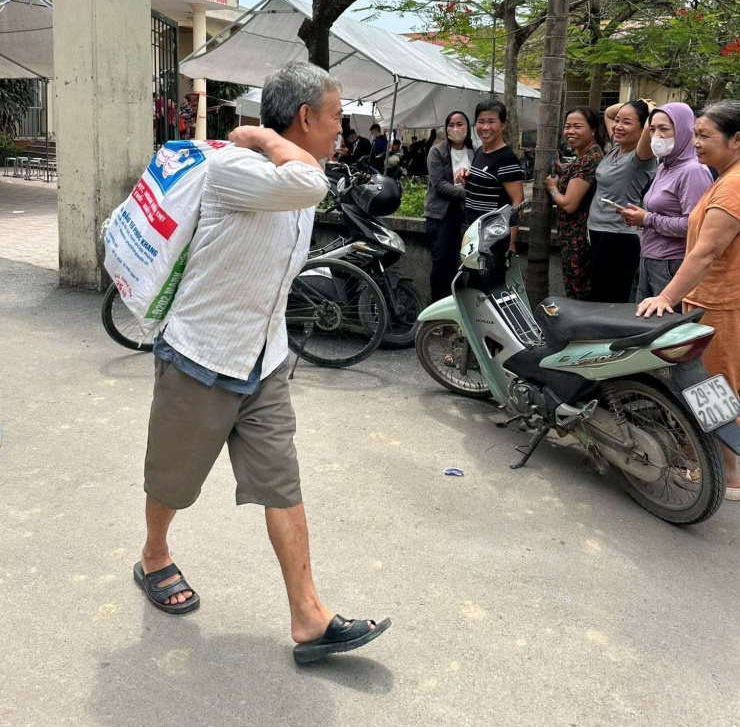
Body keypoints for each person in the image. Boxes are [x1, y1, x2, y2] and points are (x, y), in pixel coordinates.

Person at [134, 62, 391, 661]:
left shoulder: (294, 170)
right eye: (334, 120)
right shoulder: (239, 169)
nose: (341, 133)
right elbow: (307, 184)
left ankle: (309, 616)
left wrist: (271, 140)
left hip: (265, 361)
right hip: (202, 355)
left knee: (282, 485)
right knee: (174, 480)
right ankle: (153, 556)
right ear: (304, 118)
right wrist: (257, 136)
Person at [637, 100, 740, 500]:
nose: (695, 142)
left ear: (736, 140)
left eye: (705, 135)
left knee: (716, 388)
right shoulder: (724, 176)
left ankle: (729, 476)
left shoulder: (732, 186)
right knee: (712, 387)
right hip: (710, 297)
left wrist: (665, 296)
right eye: (694, 134)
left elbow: (706, 252)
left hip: (720, 302)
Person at [617, 103, 713, 309]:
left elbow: (694, 225)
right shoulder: (665, 166)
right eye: (652, 129)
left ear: (684, 130)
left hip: (672, 264)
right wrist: (639, 217)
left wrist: (648, 219)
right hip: (650, 258)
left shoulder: (693, 171)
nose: (656, 136)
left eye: (664, 129)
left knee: (666, 330)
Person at [587, 100, 658, 302]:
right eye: (618, 122)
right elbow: (609, 112)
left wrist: (651, 109)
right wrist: (637, 101)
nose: (618, 126)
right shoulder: (617, 147)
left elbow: (651, 127)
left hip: (617, 238)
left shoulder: (642, 156)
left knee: (610, 300)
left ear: (644, 128)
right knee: (597, 296)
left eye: (627, 122)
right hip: (598, 233)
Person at [546, 106, 604, 300]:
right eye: (567, 126)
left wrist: (553, 188)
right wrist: (563, 173)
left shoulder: (588, 160)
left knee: (578, 294)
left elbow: (569, 204)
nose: (570, 131)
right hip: (576, 237)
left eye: (577, 126)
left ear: (593, 129)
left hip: (578, 239)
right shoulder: (588, 155)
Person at [455, 100, 524, 252]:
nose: (485, 127)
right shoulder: (480, 151)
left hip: (494, 240)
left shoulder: (506, 159)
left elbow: (517, 201)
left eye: (491, 122)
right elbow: (486, 182)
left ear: (503, 124)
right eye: (481, 122)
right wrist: (466, 175)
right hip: (474, 234)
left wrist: (511, 241)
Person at [425, 111, 475, 302]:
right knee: (441, 264)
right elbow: (439, 184)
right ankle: (437, 311)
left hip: (466, 214)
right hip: (440, 214)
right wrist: (468, 194)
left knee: (460, 264)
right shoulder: (437, 151)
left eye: (460, 124)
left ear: (468, 127)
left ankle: (457, 308)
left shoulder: (475, 151)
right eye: (451, 125)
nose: (455, 129)